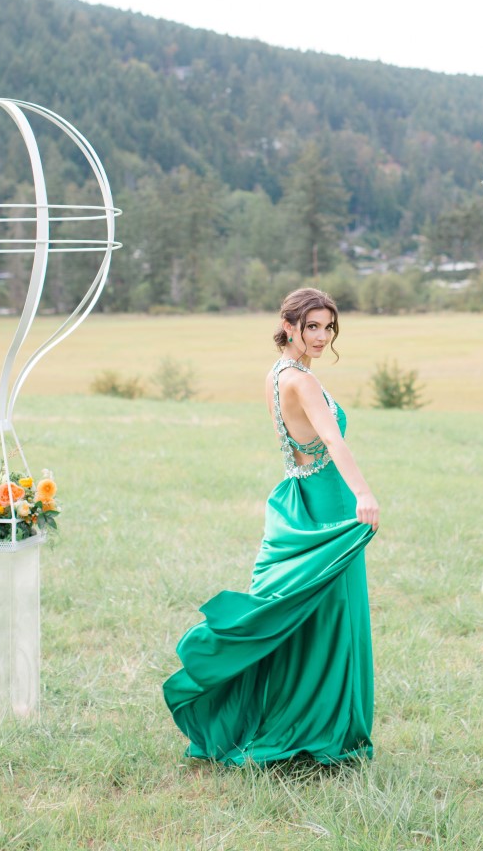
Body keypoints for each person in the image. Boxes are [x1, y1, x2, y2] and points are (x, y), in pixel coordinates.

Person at [163, 287, 379, 765]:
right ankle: (321, 728)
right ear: (288, 326)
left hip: (301, 496)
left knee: (311, 614)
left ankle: (308, 717)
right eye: (312, 326)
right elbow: (332, 440)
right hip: (328, 504)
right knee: (330, 614)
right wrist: (364, 493)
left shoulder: (277, 373)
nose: (322, 336)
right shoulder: (301, 381)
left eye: (328, 327)